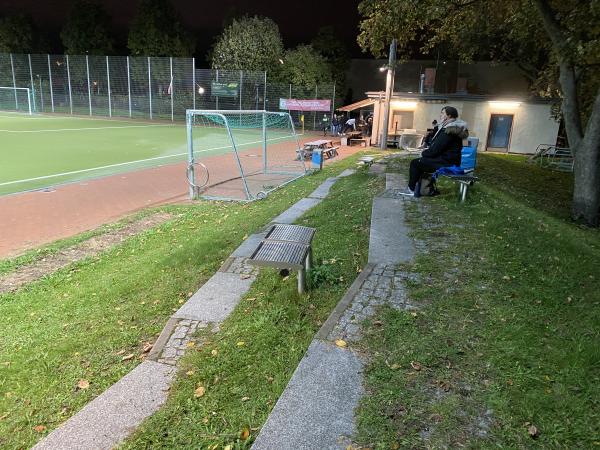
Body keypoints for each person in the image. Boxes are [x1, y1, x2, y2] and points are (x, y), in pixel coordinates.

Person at [401, 106, 468, 196]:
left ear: (449, 115)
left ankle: (412, 189)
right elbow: (437, 147)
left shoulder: (449, 130)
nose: (441, 115)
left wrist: (423, 153)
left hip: (447, 163)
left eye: (443, 113)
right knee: (421, 162)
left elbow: (436, 149)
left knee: (415, 163)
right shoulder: (452, 128)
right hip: (450, 160)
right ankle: (423, 189)